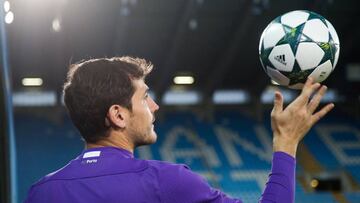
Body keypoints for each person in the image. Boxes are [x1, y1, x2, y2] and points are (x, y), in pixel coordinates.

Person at [25, 56, 334, 203]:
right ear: (118, 115)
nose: (155, 106)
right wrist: (287, 141)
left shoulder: (41, 193)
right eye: (145, 97)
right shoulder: (166, 182)